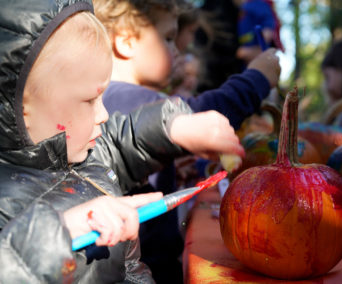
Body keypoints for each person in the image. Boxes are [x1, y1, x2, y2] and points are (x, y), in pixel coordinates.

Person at [0, 0, 246, 282]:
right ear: (21, 108)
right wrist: (57, 235)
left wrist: (172, 127)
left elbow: (121, 139)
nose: (104, 114)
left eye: (102, 98)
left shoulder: (82, 152)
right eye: (89, 100)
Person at [93, 0, 280, 282]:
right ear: (127, 41)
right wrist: (256, 79)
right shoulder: (129, 97)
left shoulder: (120, 99)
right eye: (168, 38)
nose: (177, 49)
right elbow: (205, 112)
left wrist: (166, 168)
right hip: (144, 267)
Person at [234, 0, 284, 65]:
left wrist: (255, 51)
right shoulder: (241, 7)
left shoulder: (260, 4)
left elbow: (267, 31)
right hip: (244, 62)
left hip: (259, 56)